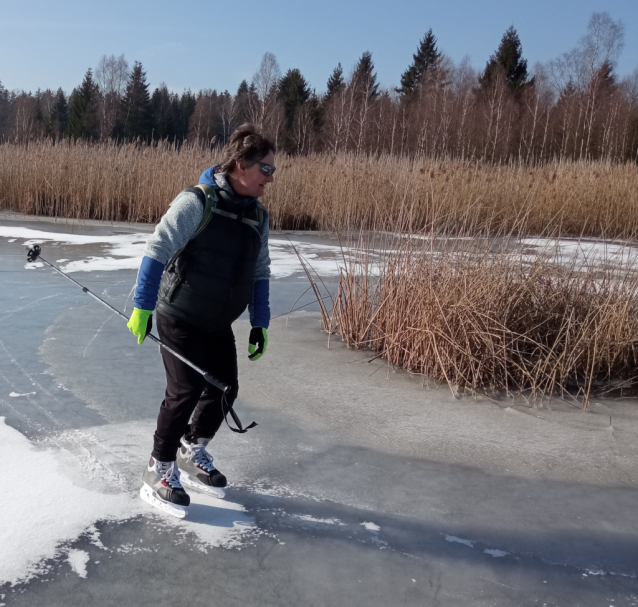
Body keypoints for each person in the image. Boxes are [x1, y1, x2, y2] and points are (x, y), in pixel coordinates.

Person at [127, 124, 275, 516]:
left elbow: (261, 270)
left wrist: (260, 322)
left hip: (217, 319)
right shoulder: (198, 201)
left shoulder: (258, 217)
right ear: (241, 165)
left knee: (226, 388)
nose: (270, 178)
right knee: (185, 389)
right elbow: (157, 246)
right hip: (180, 313)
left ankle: (192, 449)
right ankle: (158, 468)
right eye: (266, 169)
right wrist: (142, 306)